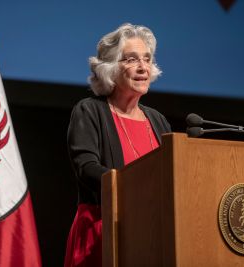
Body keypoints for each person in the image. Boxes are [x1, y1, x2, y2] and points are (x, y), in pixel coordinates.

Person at [64, 23, 171, 267]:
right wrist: (132, 186)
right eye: (132, 60)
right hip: (101, 232)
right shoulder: (90, 110)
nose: (143, 67)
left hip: (152, 234)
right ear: (110, 69)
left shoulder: (157, 120)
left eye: (147, 59)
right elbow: (86, 167)